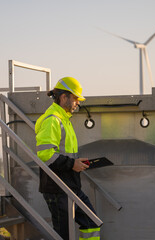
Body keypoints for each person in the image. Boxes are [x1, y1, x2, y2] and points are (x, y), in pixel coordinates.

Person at [35, 77, 101, 240]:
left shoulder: (64, 119)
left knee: (91, 221)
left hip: (70, 185)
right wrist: (72, 164)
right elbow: (45, 154)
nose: (78, 103)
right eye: (76, 98)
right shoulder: (53, 120)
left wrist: (77, 163)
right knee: (62, 235)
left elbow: (63, 153)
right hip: (57, 188)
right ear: (64, 97)